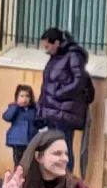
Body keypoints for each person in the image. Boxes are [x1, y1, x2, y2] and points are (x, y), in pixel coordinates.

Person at [29, 29, 91, 163]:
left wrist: (59, 94)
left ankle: (66, 181)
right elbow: (46, 85)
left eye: (47, 46)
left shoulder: (73, 56)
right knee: (53, 148)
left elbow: (79, 81)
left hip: (65, 113)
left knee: (64, 148)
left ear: (56, 43)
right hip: (52, 112)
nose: (45, 50)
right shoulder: (54, 58)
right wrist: (40, 109)